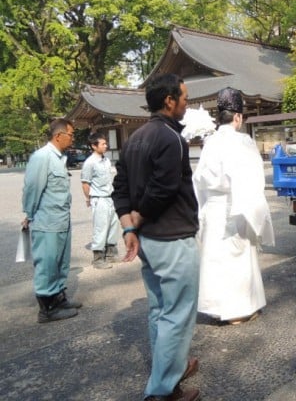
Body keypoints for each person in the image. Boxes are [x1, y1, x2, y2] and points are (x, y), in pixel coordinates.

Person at [112, 74, 200, 401]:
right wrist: (137, 218)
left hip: (147, 240)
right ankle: (162, 390)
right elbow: (162, 189)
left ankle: (168, 369)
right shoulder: (170, 138)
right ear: (169, 101)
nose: (186, 104)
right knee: (177, 313)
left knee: (159, 310)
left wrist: (129, 227)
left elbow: (119, 187)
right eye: (185, 98)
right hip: (172, 237)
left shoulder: (135, 138)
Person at [193, 86, 275, 325]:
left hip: (214, 207)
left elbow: (198, 180)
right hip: (237, 206)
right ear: (238, 116)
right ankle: (239, 310)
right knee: (238, 261)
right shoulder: (244, 142)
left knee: (216, 260)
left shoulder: (210, 143)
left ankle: (217, 309)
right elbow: (253, 178)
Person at [22, 118, 83, 323]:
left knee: (60, 262)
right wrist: (29, 215)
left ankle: (58, 298)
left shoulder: (59, 158)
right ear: (59, 136)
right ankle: (47, 309)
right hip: (46, 221)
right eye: (71, 135)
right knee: (47, 264)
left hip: (61, 220)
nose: (72, 138)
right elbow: (32, 189)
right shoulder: (42, 157)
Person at [81, 132, 120, 269]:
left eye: (105, 143)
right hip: (99, 198)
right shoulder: (89, 163)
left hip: (110, 197)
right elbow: (85, 183)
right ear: (93, 146)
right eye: (103, 144)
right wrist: (89, 198)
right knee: (101, 227)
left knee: (113, 225)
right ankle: (98, 258)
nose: (106, 146)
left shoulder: (107, 160)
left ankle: (110, 254)